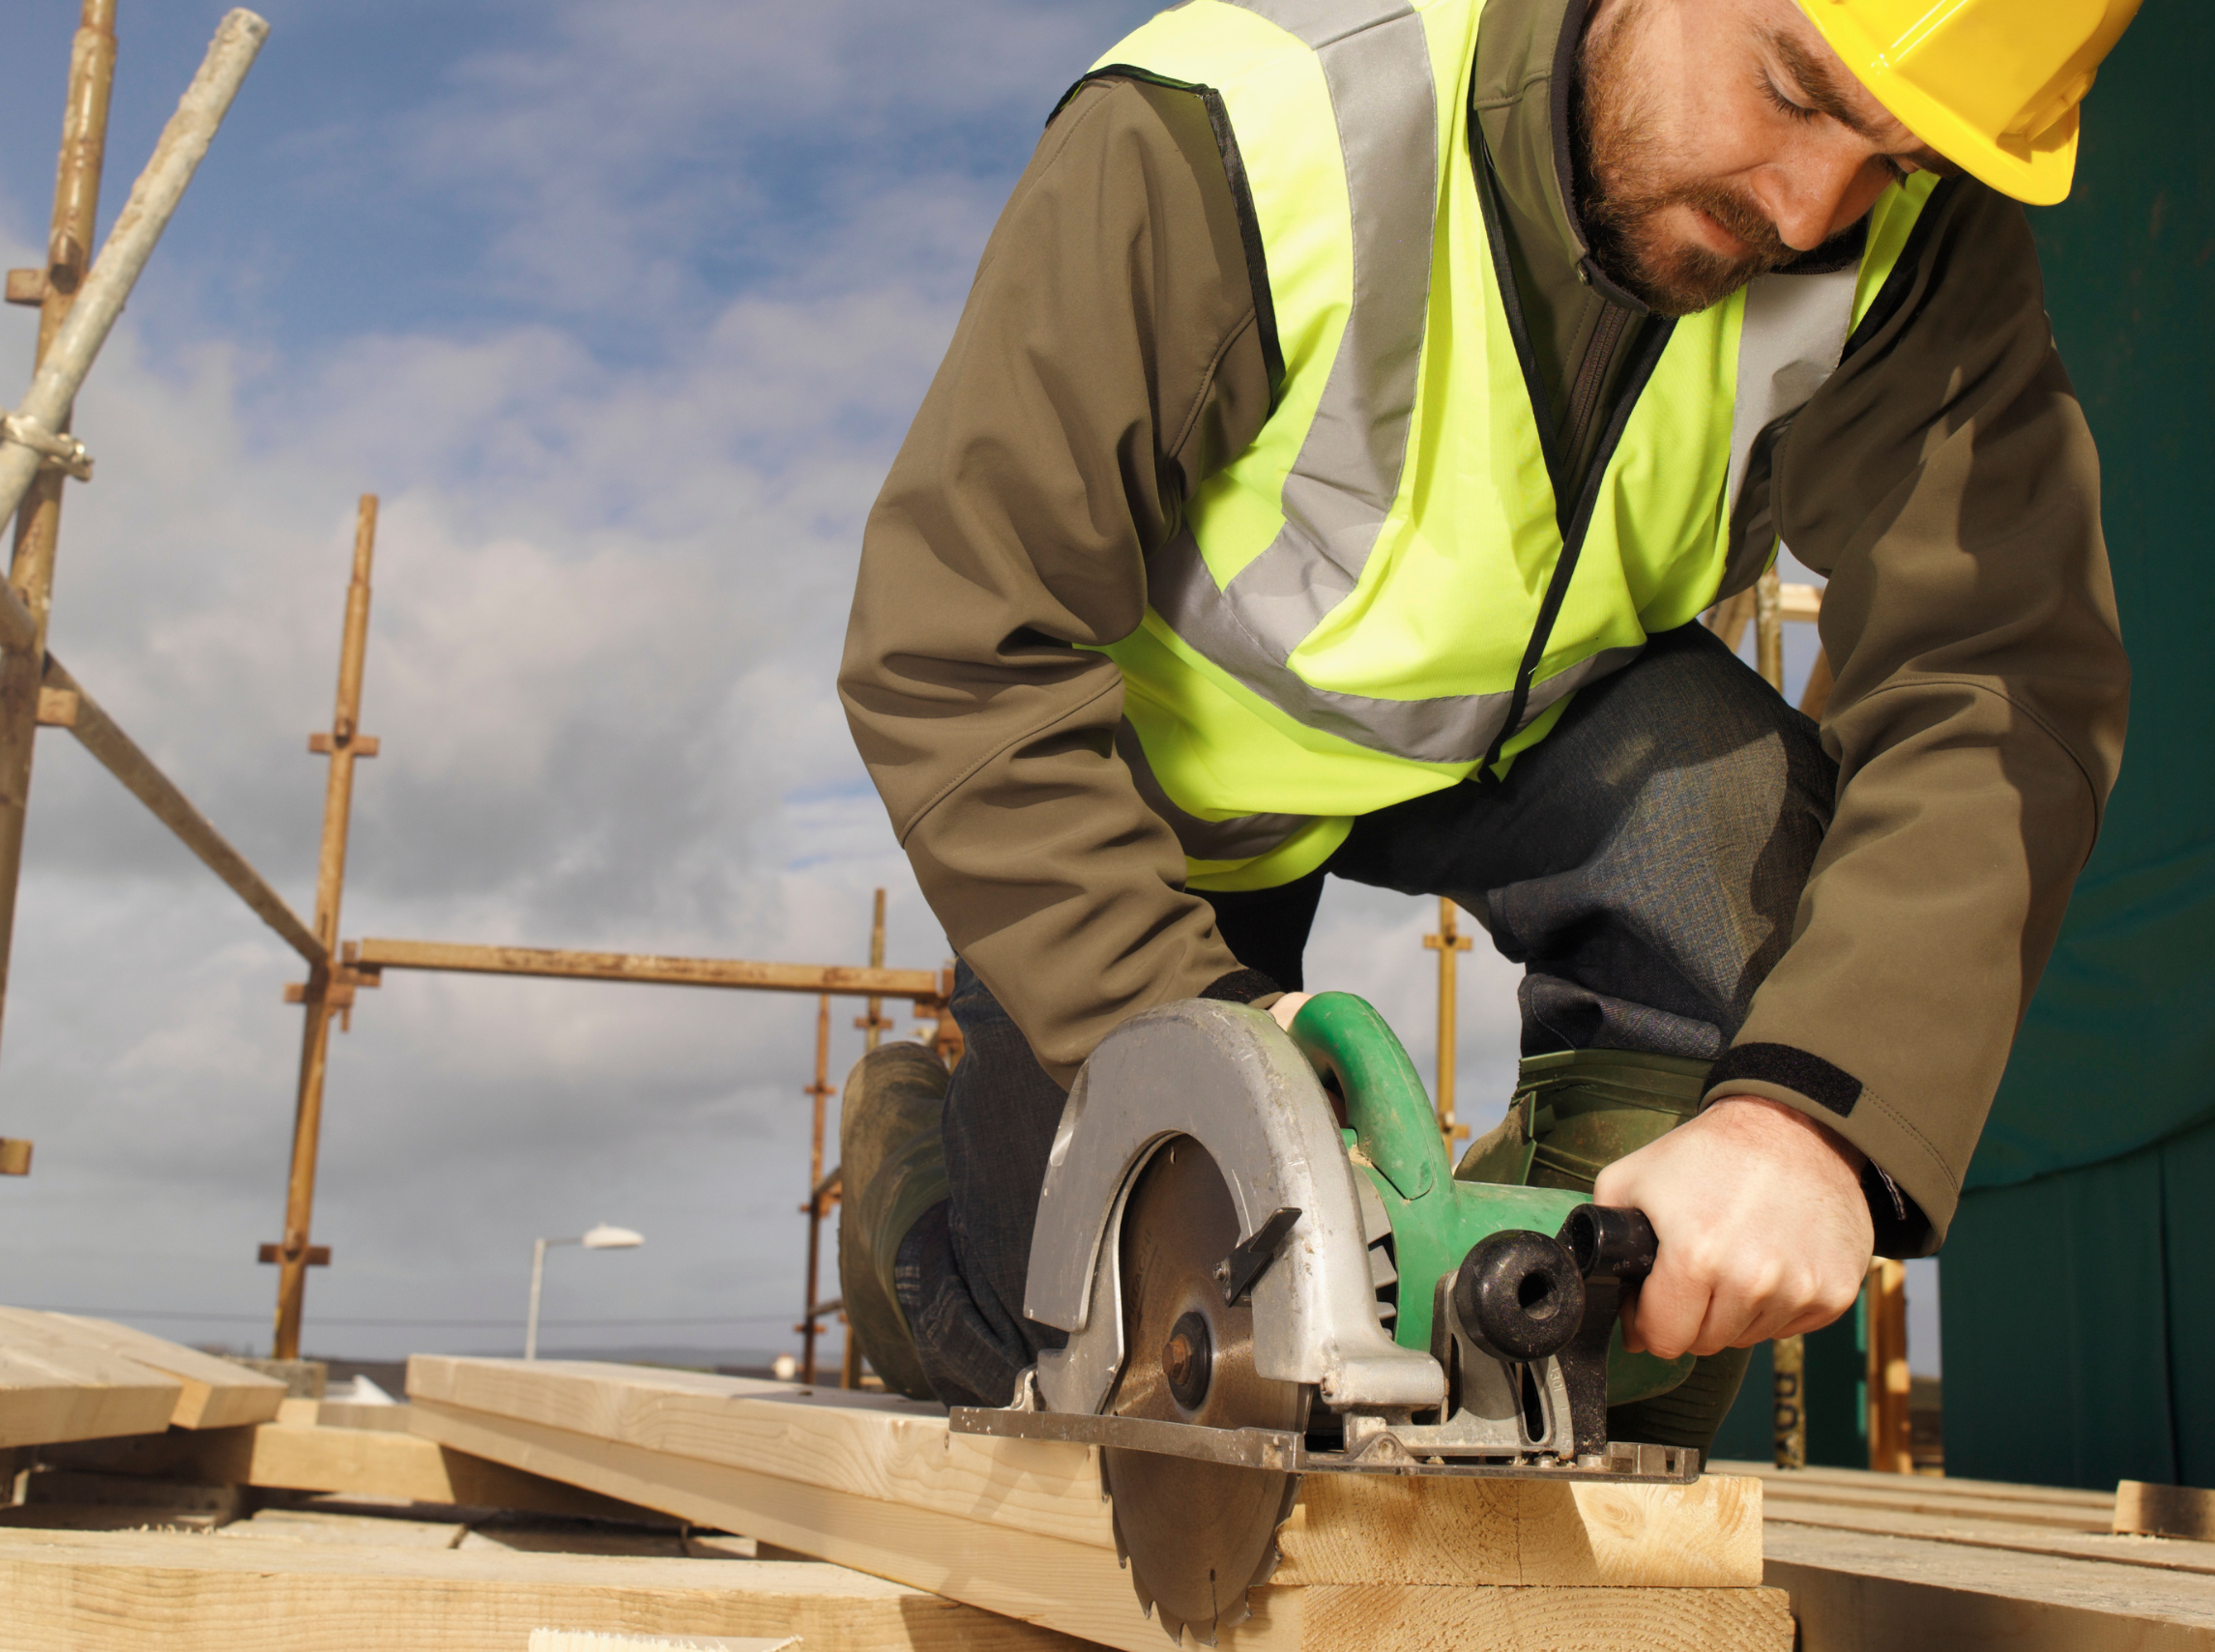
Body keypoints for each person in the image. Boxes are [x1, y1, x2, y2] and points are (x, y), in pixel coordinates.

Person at [833, 0, 2136, 1449]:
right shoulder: (1239, 124)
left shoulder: (1907, 230)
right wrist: (1203, 1030)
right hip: (1160, 789)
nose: (1811, 205)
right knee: (1082, 1344)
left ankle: (1539, 1399)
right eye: (1791, 89)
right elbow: (956, 632)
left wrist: (1811, 1128)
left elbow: (2002, 678)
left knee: (1736, 822)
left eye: (1891, 161)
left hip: (1544, 725)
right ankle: (912, 1199)